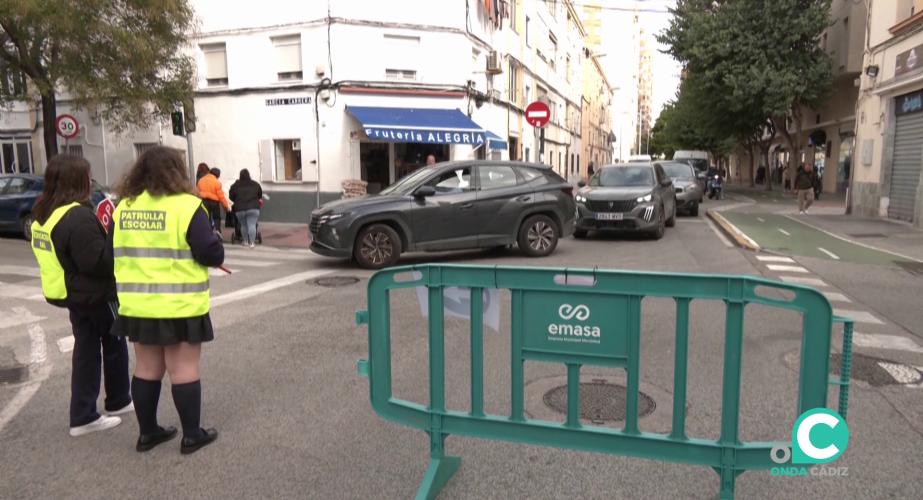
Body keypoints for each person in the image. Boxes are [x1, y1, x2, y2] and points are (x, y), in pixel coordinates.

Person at [110, 146, 222, 454]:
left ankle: (148, 433)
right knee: (184, 369)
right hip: (179, 305)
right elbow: (210, 252)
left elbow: (111, 254)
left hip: (138, 305)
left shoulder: (124, 208)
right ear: (177, 171)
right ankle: (192, 435)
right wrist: (217, 246)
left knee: (146, 368)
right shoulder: (187, 206)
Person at [30, 155, 132, 436]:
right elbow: (98, 262)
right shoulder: (77, 216)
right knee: (113, 343)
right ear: (79, 180)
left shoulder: (44, 212)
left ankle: (85, 411)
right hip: (95, 294)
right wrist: (114, 235)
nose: (91, 181)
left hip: (71, 293)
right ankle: (114, 402)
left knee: (86, 349)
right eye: (88, 176)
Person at [229, 169, 263, 248]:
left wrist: (237, 200)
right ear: (249, 175)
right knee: (252, 225)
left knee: (243, 225)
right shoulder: (255, 184)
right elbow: (259, 195)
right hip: (253, 208)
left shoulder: (235, 185)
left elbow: (231, 197)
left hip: (240, 208)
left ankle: (245, 241)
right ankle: (252, 243)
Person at [196, 166, 229, 232]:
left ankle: (207, 230)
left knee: (206, 216)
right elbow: (221, 196)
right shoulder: (217, 182)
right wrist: (226, 205)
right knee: (216, 217)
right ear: (217, 175)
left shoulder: (201, 180)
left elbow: (197, 192)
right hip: (214, 202)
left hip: (204, 201)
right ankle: (217, 230)